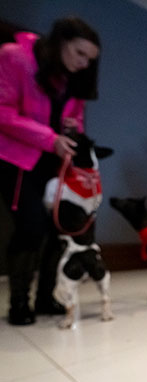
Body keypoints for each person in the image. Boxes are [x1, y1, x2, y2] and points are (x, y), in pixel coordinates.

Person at [0, 17, 101, 325]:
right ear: (61, 42)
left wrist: (71, 129)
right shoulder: (14, 56)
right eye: (79, 53)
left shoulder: (74, 79)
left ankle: (46, 298)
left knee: (60, 231)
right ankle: (19, 302)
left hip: (57, 164)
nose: (84, 63)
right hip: (19, 160)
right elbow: (3, 112)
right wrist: (50, 138)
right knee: (30, 228)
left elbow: (77, 120)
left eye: (90, 59)